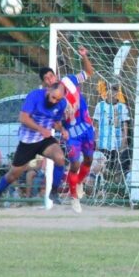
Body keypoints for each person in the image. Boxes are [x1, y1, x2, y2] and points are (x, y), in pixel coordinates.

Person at [0, 83, 69, 211]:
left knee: (60, 158)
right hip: (28, 142)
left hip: (44, 139)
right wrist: (41, 129)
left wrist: (63, 130)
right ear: (48, 90)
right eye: (53, 97)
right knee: (13, 175)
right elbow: (23, 118)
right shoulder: (35, 96)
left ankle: (53, 192)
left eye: (58, 99)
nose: (55, 101)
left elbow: (56, 122)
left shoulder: (61, 104)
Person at [39, 46, 96, 213]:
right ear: (45, 83)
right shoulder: (49, 100)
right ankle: (74, 197)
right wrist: (61, 128)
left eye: (51, 76)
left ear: (55, 76)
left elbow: (89, 72)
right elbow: (53, 122)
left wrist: (84, 56)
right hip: (71, 134)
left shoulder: (69, 80)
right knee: (75, 163)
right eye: (46, 79)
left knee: (89, 160)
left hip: (86, 126)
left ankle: (78, 183)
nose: (50, 80)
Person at [93, 83, 131, 178]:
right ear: (106, 91)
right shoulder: (99, 106)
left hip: (116, 144)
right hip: (102, 143)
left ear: (117, 92)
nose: (112, 92)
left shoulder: (122, 107)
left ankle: (111, 181)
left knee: (113, 168)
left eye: (114, 89)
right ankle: (101, 183)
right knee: (101, 167)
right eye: (109, 89)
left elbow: (125, 126)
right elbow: (95, 125)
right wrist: (95, 141)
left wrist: (124, 141)